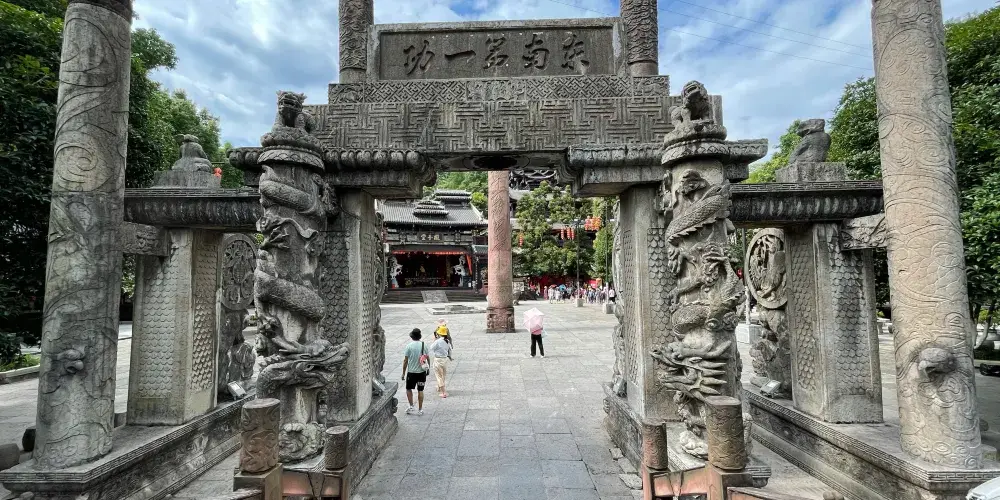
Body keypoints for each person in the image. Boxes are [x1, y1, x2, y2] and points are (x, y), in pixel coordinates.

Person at [401, 328, 428, 415]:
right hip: (422, 372)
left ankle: (411, 406)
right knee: (420, 390)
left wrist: (403, 373)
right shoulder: (424, 345)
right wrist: (427, 369)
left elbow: (405, 360)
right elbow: (427, 357)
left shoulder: (409, 346)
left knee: (409, 389)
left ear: (412, 336)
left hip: (412, 372)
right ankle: (420, 409)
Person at [429, 331, 453, 398]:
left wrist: (434, 340)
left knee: (438, 376)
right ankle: (439, 387)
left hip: (438, 359)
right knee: (443, 375)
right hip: (444, 359)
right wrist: (450, 357)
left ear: (439, 334)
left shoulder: (438, 341)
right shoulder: (447, 341)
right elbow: (450, 350)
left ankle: (443, 392)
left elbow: (431, 347)